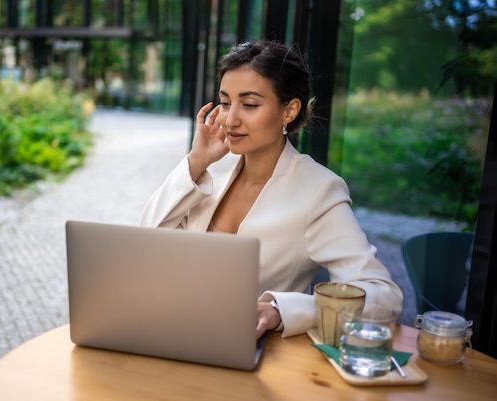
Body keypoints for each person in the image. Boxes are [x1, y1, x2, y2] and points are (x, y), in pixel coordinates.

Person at [140, 40, 403, 339]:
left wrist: (280, 310)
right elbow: (146, 244)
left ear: (289, 110)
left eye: (249, 105)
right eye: (226, 103)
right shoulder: (211, 169)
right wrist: (196, 161)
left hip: (247, 348)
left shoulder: (318, 191)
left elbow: (384, 297)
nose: (231, 119)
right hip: (173, 327)